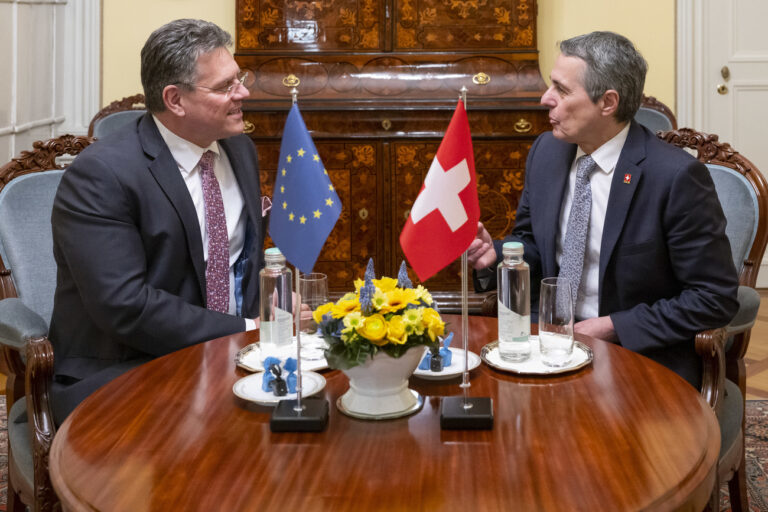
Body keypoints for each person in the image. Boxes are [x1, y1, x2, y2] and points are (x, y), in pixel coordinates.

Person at [467, 31, 739, 388]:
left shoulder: (675, 177)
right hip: (545, 345)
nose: (545, 99)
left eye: (562, 90)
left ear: (607, 103)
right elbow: (532, 243)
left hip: (637, 357)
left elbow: (713, 297)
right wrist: (498, 255)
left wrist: (613, 326)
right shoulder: (547, 152)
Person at [49, 19, 266, 424]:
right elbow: (125, 306)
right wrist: (244, 328)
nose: (244, 93)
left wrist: (268, 320)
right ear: (175, 99)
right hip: (128, 367)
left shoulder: (240, 149)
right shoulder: (101, 176)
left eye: (240, 79)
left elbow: (241, 263)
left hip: (233, 353)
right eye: (225, 87)